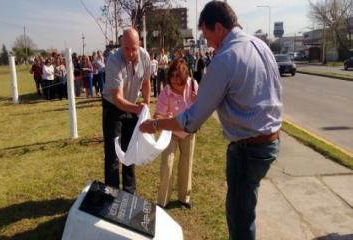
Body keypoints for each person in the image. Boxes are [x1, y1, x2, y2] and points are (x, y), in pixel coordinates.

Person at [139, 1, 282, 240]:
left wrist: (155, 124)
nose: (207, 43)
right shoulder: (260, 46)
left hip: (248, 148)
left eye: (207, 36)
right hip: (271, 141)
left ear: (218, 27)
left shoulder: (225, 58)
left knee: (240, 218)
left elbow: (192, 120)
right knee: (245, 210)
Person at [102, 27, 151, 194]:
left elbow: (146, 83)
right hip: (113, 107)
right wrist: (138, 109)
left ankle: (130, 192)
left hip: (133, 105)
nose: (130, 53)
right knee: (113, 153)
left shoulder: (145, 56)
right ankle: (112, 193)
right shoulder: (113, 61)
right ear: (121, 44)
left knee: (130, 150)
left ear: (140, 44)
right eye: (126, 48)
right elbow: (117, 98)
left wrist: (146, 103)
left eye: (134, 49)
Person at [155, 58, 198, 209]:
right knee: (167, 164)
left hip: (189, 132)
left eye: (178, 76)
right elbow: (159, 115)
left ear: (184, 75)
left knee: (186, 164)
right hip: (171, 132)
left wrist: (197, 100)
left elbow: (201, 107)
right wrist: (162, 119)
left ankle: (184, 198)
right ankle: (162, 201)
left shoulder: (193, 86)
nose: (174, 80)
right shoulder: (165, 92)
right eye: (172, 76)